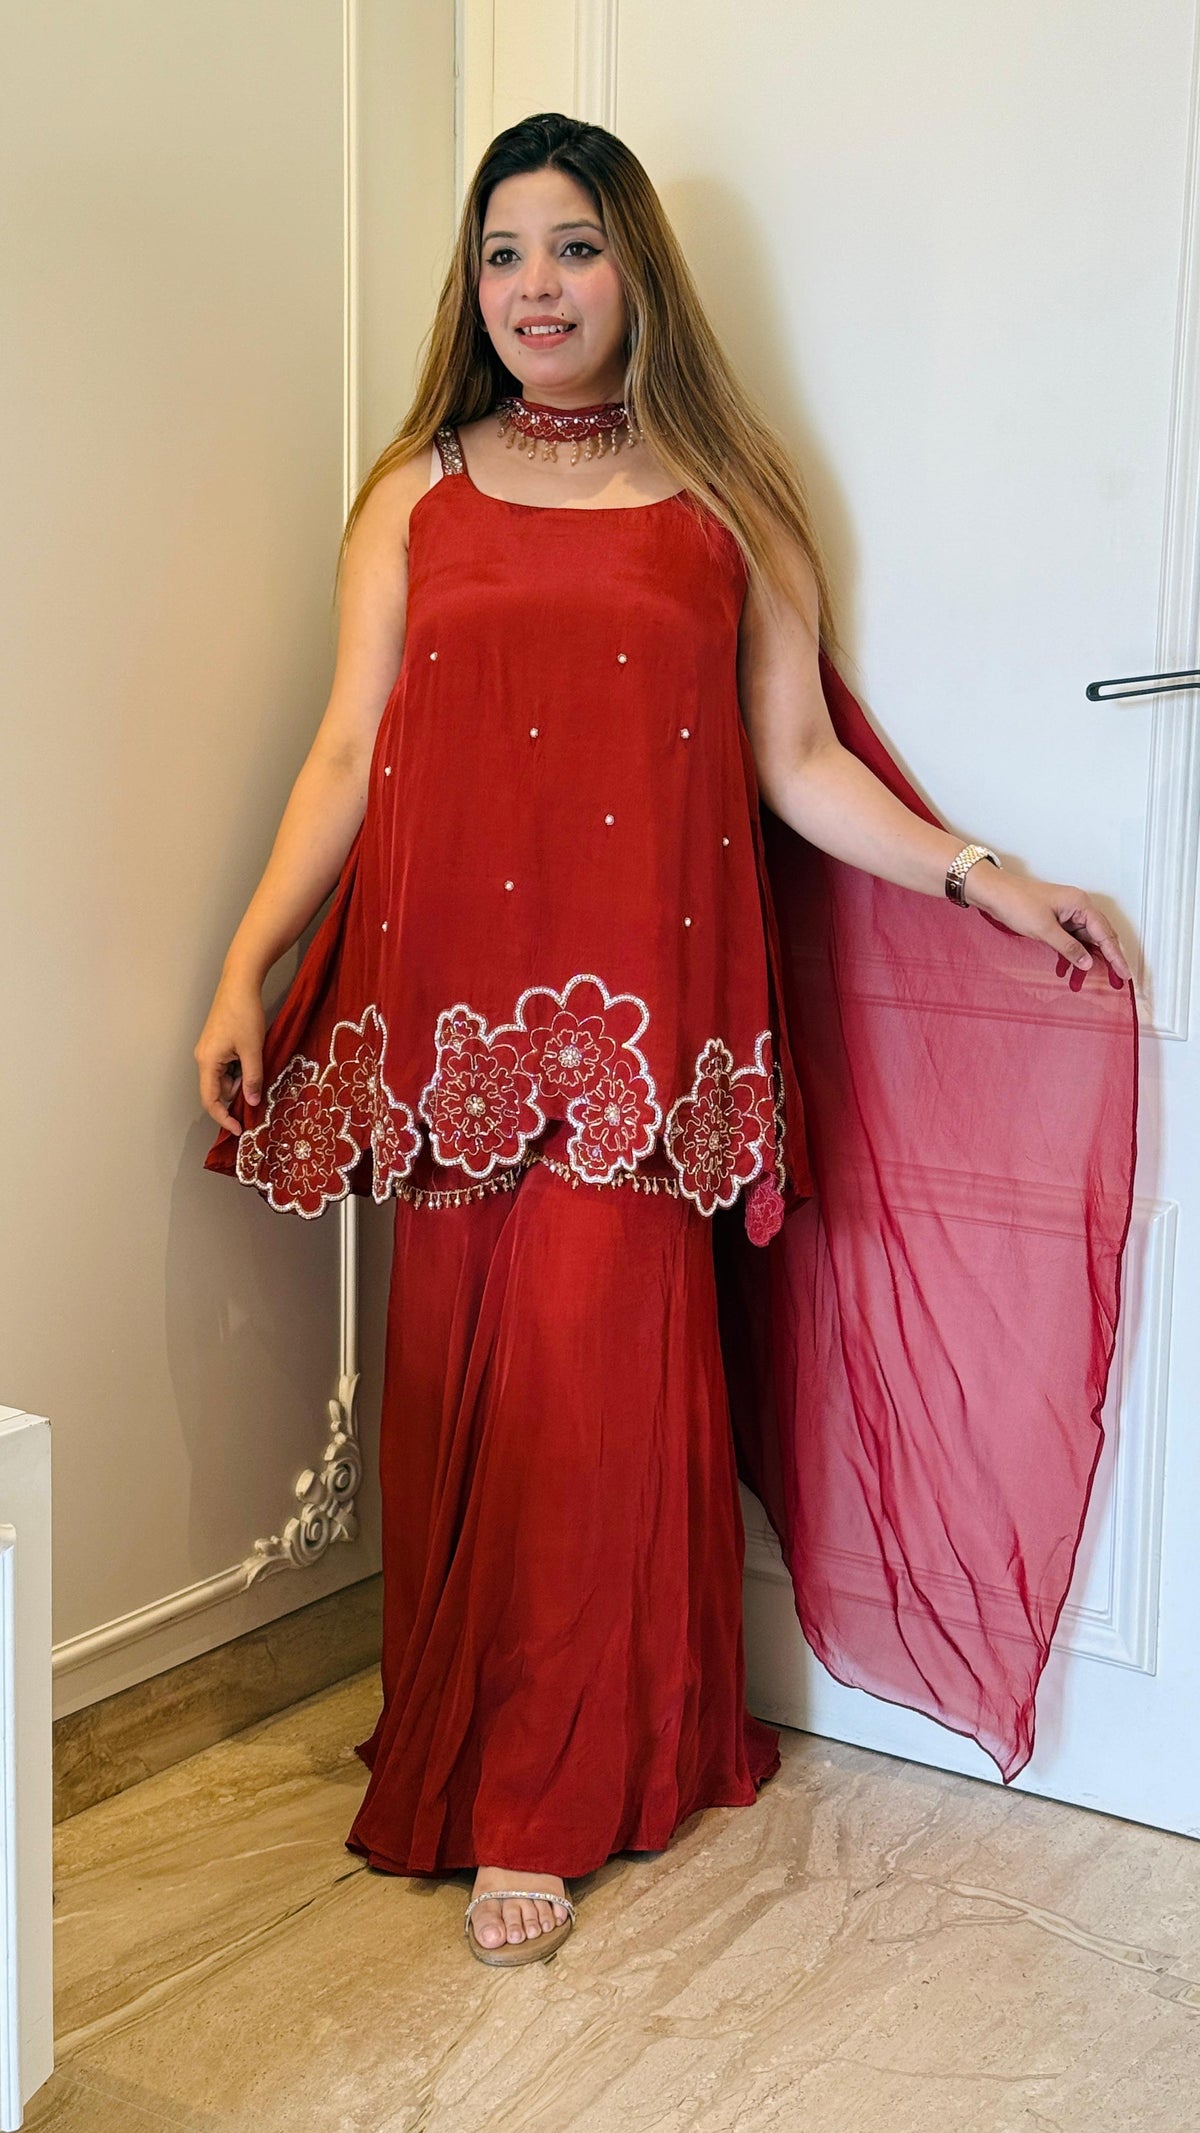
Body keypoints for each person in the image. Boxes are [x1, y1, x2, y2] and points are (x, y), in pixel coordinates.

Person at [195, 112, 1137, 1968]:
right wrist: (248, 961)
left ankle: (540, 1799)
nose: (535, 287)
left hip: (639, 1036)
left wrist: (983, 873)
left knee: (591, 1390)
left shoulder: (727, 501)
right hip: (450, 1033)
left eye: (574, 246)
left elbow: (798, 762)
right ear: (472, 287)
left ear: (636, 269)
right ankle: (505, 1738)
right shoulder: (412, 495)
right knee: (463, 1399)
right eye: (503, 254)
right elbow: (346, 750)